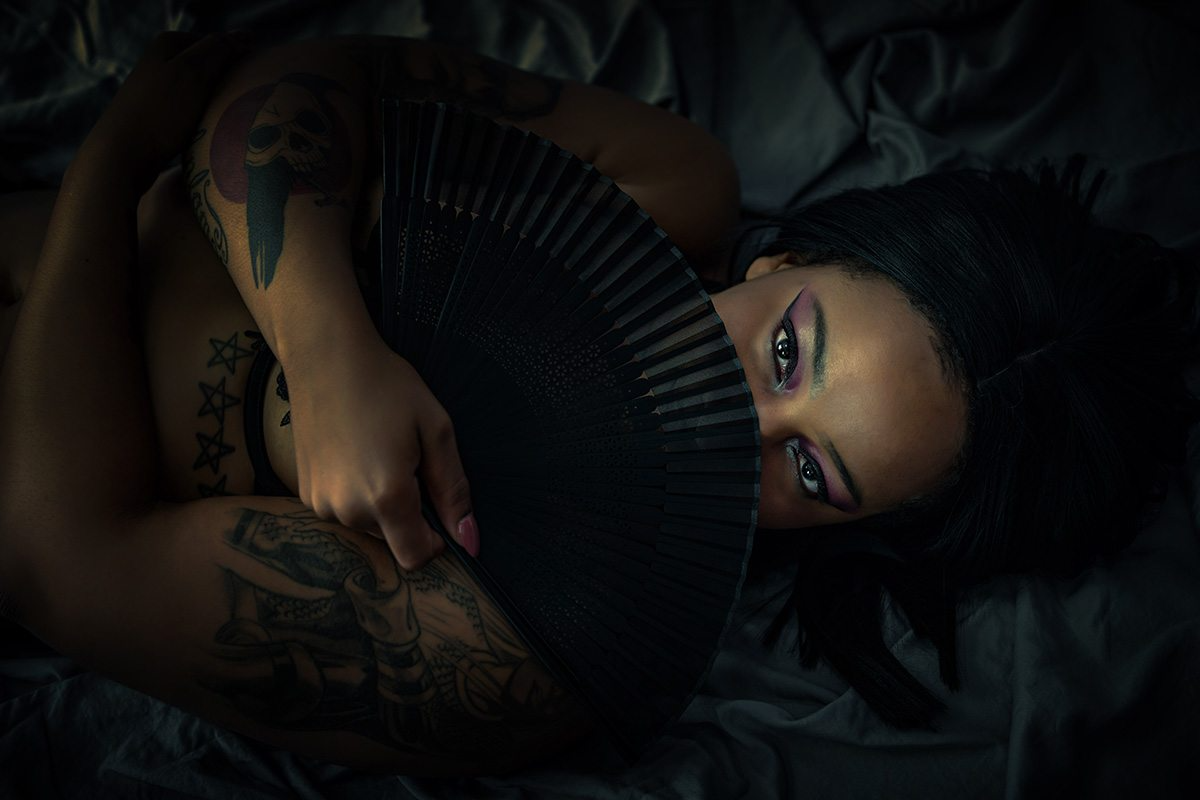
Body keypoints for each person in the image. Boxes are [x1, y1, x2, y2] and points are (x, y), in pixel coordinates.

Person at [0, 29, 1195, 773]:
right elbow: (312, 79)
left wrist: (112, 167)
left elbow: (59, 563)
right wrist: (325, 349)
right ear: (790, 261)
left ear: (851, 528)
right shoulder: (668, 186)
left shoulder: (524, 643)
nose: (746, 423)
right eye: (788, 351)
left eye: (812, 470)